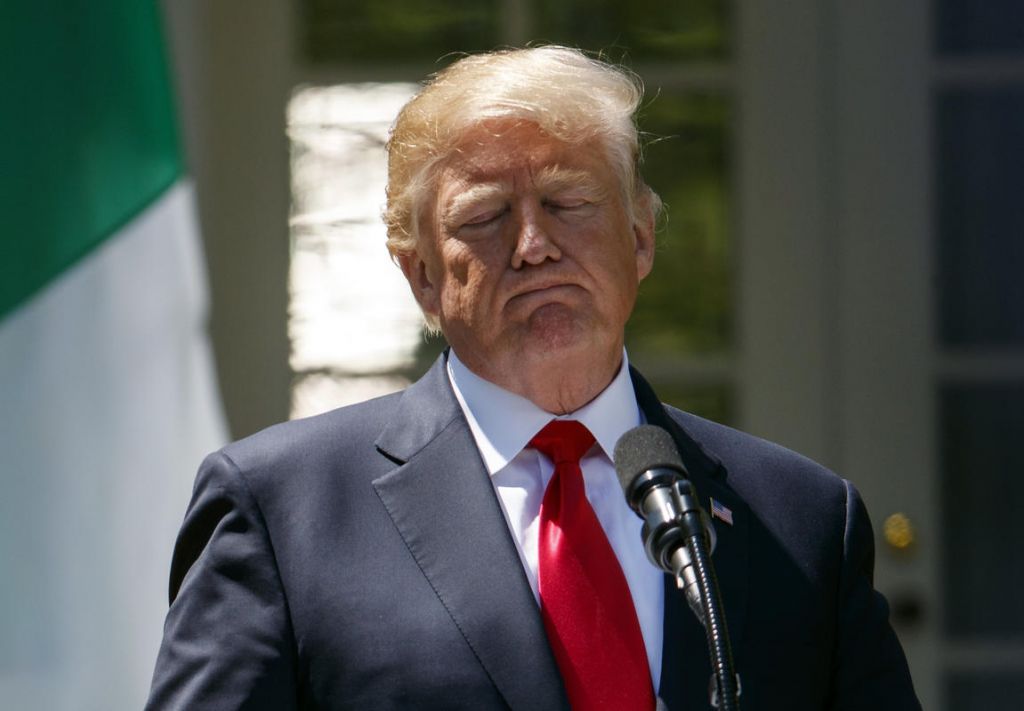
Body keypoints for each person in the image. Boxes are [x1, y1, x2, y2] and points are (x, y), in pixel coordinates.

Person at [146, 46, 920, 710]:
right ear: (421, 276)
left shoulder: (802, 518)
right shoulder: (283, 512)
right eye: (485, 216)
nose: (533, 245)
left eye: (568, 201)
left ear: (641, 238)